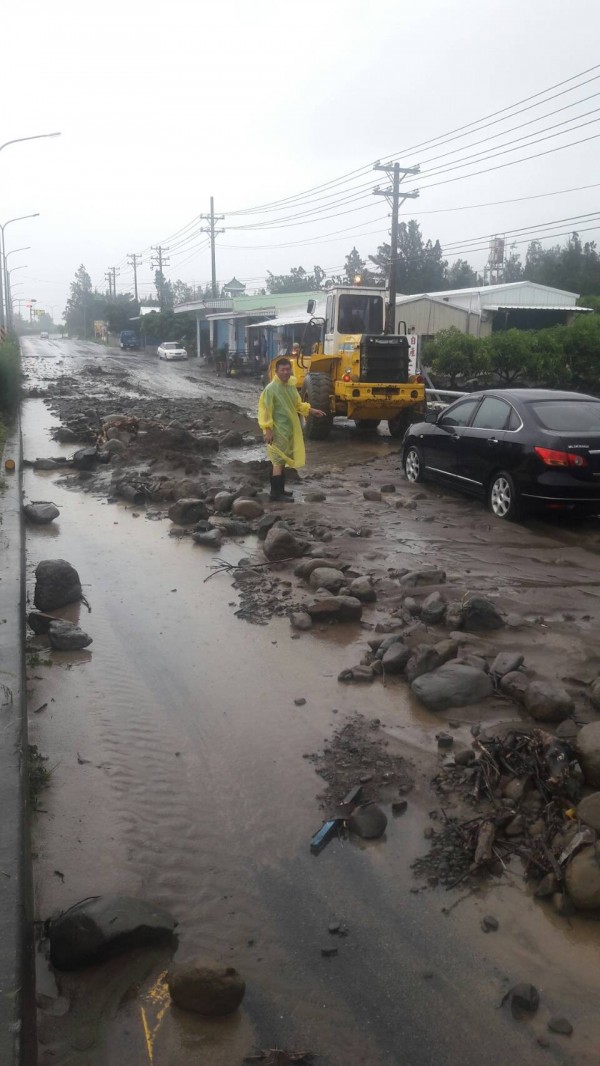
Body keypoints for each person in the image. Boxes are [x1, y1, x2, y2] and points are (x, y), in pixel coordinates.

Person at [258, 357, 325, 501]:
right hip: (277, 430)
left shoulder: (290, 386)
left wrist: (312, 410)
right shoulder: (271, 389)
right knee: (277, 461)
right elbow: (265, 410)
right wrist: (267, 430)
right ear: (276, 371)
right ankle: (276, 494)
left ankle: (280, 490)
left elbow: (297, 404)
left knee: (281, 461)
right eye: (283, 370)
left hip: (288, 429)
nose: (286, 372)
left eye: (288, 369)